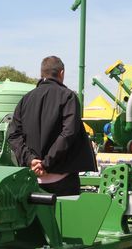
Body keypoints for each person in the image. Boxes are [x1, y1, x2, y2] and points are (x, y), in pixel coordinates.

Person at [7, 56, 96, 196]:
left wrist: (30, 160)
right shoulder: (68, 97)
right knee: (65, 218)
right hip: (63, 180)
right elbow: (69, 133)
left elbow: (13, 135)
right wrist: (46, 163)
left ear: (41, 74)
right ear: (62, 73)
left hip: (31, 181)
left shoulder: (25, 99)